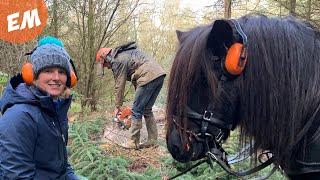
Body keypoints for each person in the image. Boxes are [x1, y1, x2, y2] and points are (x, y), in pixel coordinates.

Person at [0, 36, 78, 179]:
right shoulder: (19, 117)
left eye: (61, 72)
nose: (56, 77)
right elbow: (17, 177)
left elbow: (61, 165)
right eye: (48, 71)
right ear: (32, 75)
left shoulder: (55, 109)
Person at [96, 42, 166, 149]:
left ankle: (133, 142)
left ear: (107, 58)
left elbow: (119, 85)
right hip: (158, 74)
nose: (107, 67)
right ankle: (153, 140)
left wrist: (117, 106)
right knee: (147, 109)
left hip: (147, 75)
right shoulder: (126, 55)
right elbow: (136, 76)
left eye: (105, 65)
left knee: (137, 110)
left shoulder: (117, 61)